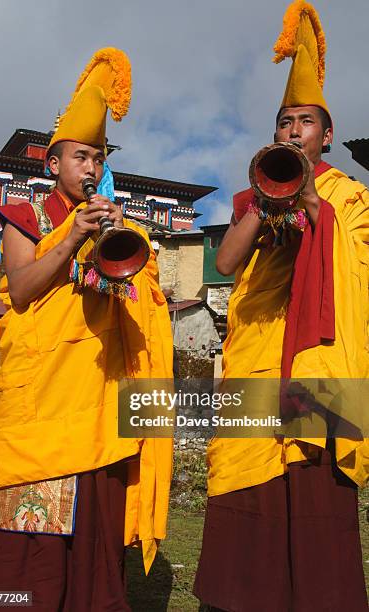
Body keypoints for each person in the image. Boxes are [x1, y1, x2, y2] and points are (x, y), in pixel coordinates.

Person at [0, 48, 173, 611]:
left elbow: (137, 301)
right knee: (21, 550)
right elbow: (26, 289)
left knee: (91, 541)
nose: (89, 166)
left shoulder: (116, 227)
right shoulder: (24, 218)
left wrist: (122, 245)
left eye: (97, 157)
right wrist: (74, 236)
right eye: (79, 156)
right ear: (53, 164)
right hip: (41, 398)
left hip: (94, 400)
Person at [194, 2, 369, 611]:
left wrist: (314, 206)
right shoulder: (257, 190)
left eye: (306, 121)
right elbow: (226, 264)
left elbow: (352, 261)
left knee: (313, 490)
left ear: (326, 133)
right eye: (284, 122)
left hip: (319, 358)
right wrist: (265, 203)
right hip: (259, 354)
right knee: (249, 482)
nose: (294, 131)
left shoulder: (349, 197)